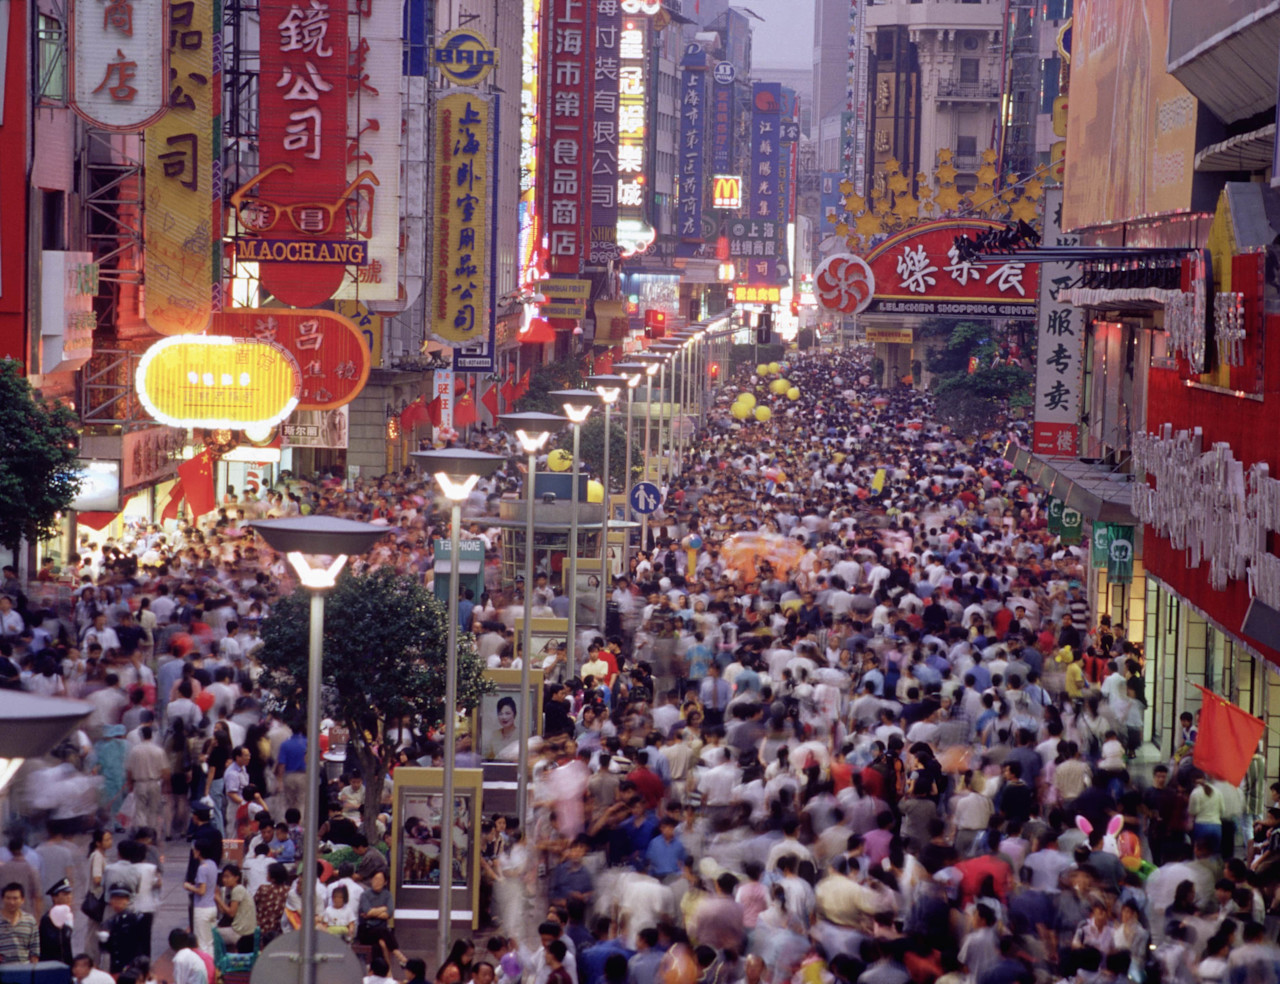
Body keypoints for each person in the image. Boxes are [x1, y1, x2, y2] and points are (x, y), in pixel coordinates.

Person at [184, 841, 219, 952]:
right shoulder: (213, 864)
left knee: (201, 942)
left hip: (202, 909)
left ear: (199, 852)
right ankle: (211, 962)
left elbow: (201, 890)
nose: (193, 852)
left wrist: (189, 887)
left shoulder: (202, 868)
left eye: (195, 850)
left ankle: (204, 963)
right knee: (210, 942)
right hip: (212, 907)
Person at [215, 863, 257, 952]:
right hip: (240, 930)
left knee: (210, 933)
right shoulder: (232, 890)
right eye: (223, 877)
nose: (224, 880)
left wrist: (218, 899)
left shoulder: (238, 889)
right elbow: (224, 911)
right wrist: (218, 897)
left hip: (240, 932)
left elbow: (231, 913)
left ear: (236, 878)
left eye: (228, 877)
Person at [0, 882, 38, 964]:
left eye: (15, 898)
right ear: (3, 899)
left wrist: (33, 969)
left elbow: (34, 952)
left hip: (24, 969)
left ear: (22, 900)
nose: (11, 902)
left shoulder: (30, 921)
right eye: (8, 898)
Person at [38, 878, 75, 963]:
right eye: (65, 894)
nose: (69, 897)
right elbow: (52, 944)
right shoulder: (48, 918)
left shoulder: (69, 915)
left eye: (70, 894)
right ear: (54, 897)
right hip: (53, 964)